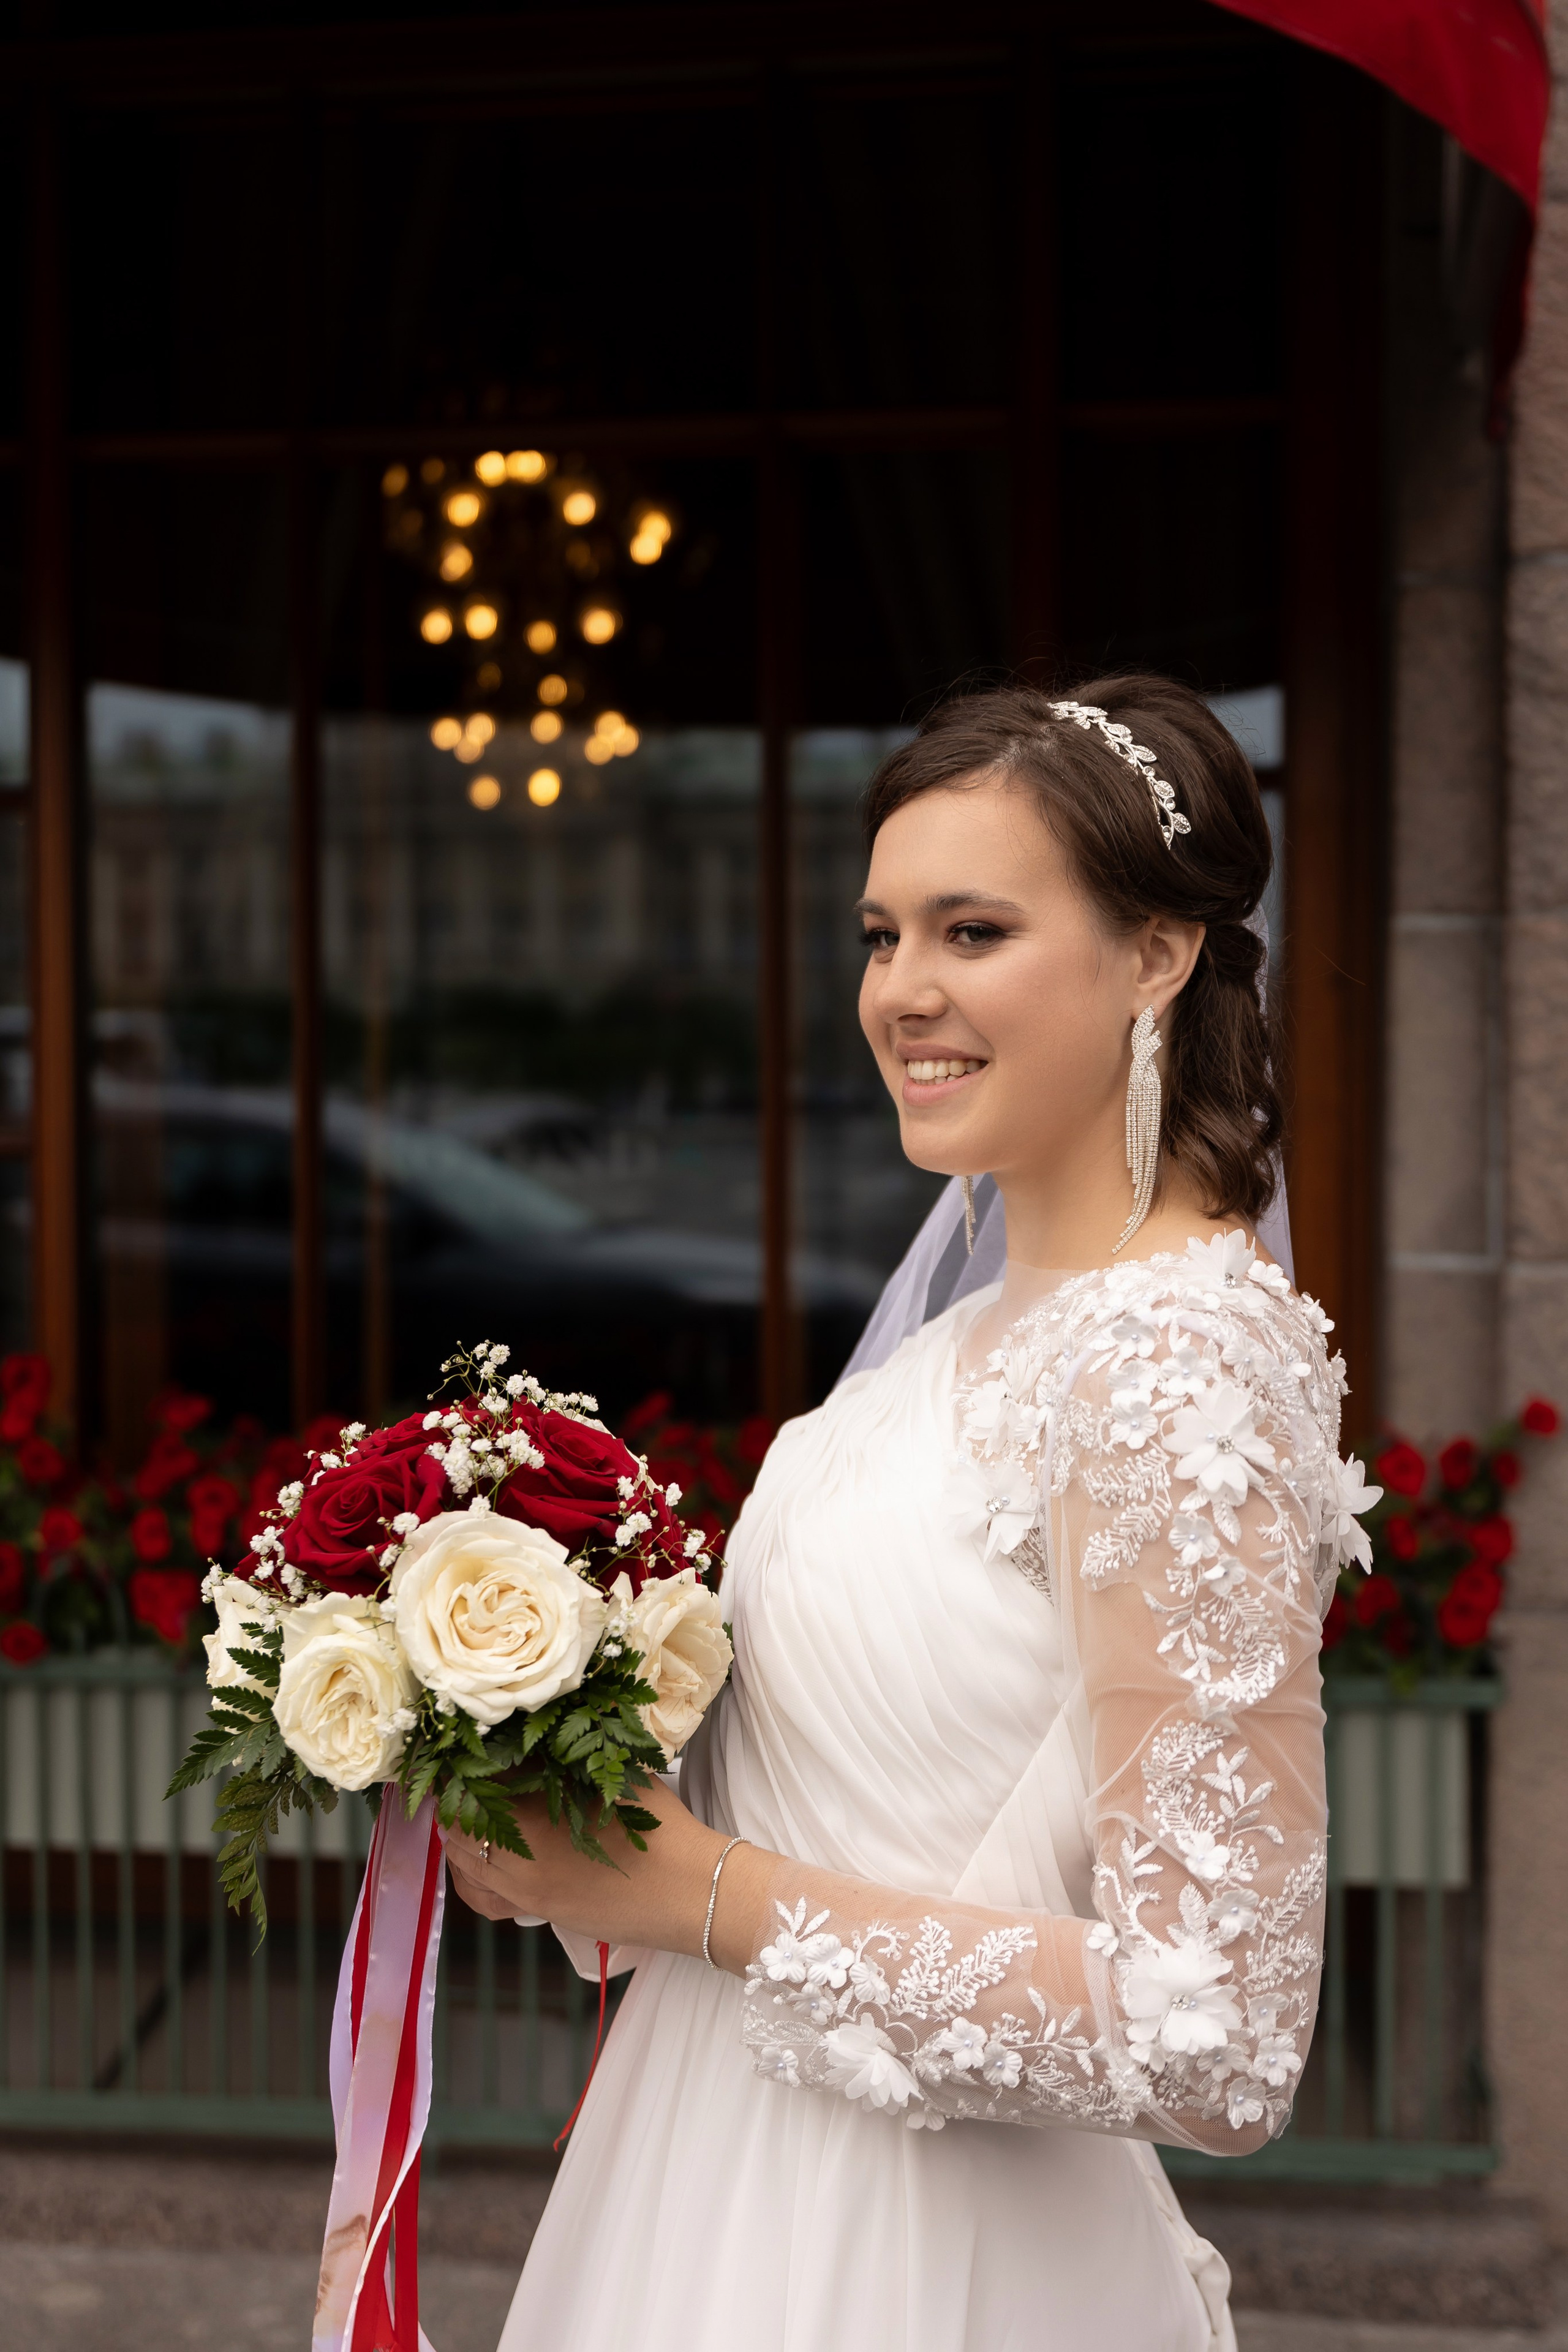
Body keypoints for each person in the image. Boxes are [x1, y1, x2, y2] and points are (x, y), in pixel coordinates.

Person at [447, 677, 1374, 2351]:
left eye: (974, 931)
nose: (903, 992)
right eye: (883, 937)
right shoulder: (955, 1341)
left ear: (1159, 955)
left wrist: (696, 1893)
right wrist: (568, 1809)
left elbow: (1217, 2038)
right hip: (700, 2187)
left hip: (932, 2266)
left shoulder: (1182, 1371)